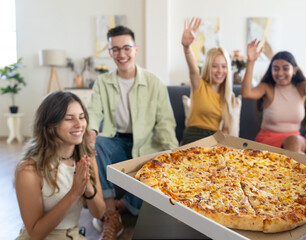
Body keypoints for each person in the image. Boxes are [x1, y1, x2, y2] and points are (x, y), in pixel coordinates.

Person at [87, 25, 178, 238]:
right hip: (115, 141)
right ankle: (111, 214)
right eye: (115, 49)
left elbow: (165, 122)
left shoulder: (154, 83)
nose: (121, 54)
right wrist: (90, 132)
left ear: (135, 49)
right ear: (110, 52)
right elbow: (93, 111)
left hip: (147, 144)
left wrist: (174, 152)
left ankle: (125, 205)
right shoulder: (102, 82)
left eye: (126, 48)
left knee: (154, 176)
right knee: (97, 144)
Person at [15, 91, 105, 239]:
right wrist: (74, 192)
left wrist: (87, 187)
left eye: (82, 117)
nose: (79, 124)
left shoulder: (86, 159)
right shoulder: (28, 170)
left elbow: (99, 213)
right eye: (69, 119)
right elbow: (36, 233)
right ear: (50, 125)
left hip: (74, 235)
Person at [241, 39, 306, 152]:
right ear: (271, 70)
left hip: (294, 142)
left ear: (294, 70)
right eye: (276, 69)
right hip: (268, 142)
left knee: (294, 142)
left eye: (285, 68)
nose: (280, 73)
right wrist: (251, 61)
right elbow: (246, 93)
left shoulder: (301, 88)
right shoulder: (267, 88)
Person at [181, 17, 236, 145]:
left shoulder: (229, 96)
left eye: (224, 66)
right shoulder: (199, 85)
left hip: (213, 141)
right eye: (215, 66)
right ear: (208, 67)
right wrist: (187, 47)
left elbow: (226, 131)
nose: (219, 71)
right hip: (192, 138)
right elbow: (193, 69)